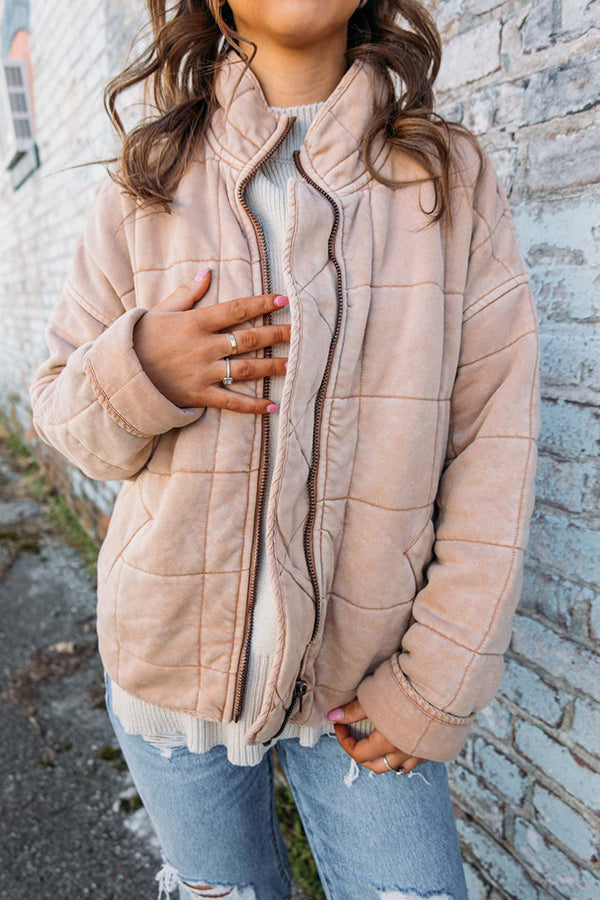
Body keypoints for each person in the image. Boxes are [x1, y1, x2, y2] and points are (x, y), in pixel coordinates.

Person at [28, 1, 541, 898]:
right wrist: (143, 364)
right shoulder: (147, 181)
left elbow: (496, 448)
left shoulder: (444, 180)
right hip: (169, 678)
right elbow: (66, 419)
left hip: (367, 682)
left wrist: (435, 683)